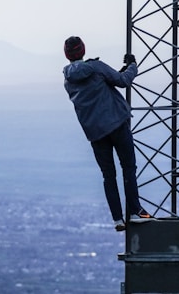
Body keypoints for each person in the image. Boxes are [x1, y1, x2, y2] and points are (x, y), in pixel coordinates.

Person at [62, 36, 153, 231]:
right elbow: (123, 81)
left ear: (67, 55)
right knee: (128, 168)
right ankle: (136, 210)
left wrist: (113, 74)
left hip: (95, 133)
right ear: (83, 50)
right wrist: (132, 65)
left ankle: (117, 219)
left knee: (108, 175)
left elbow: (97, 87)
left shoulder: (68, 81)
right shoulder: (96, 66)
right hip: (117, 124)